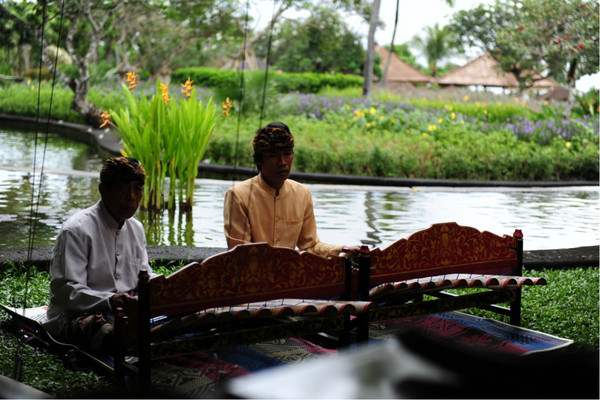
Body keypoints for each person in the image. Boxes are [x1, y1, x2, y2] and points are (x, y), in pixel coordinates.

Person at [44, 156, 151, 354]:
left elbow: (145, 276)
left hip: (125, 313)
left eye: (138, 188)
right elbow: (67, 291)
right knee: (110, 333)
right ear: (103, 190)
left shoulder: (136, 228)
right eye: (123, 187)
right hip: (78, 315)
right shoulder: (76, 230)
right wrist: (110, 300)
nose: (132, 197)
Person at [223, 121, 361, 258]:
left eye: (287, 153)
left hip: (289, 275)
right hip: (252, 275)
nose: (282, 162)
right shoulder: (238, 195)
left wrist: (344, 249)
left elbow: (310, 246)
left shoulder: (302, 194)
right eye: (273, 155)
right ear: (259, 160)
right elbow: (240, 254)